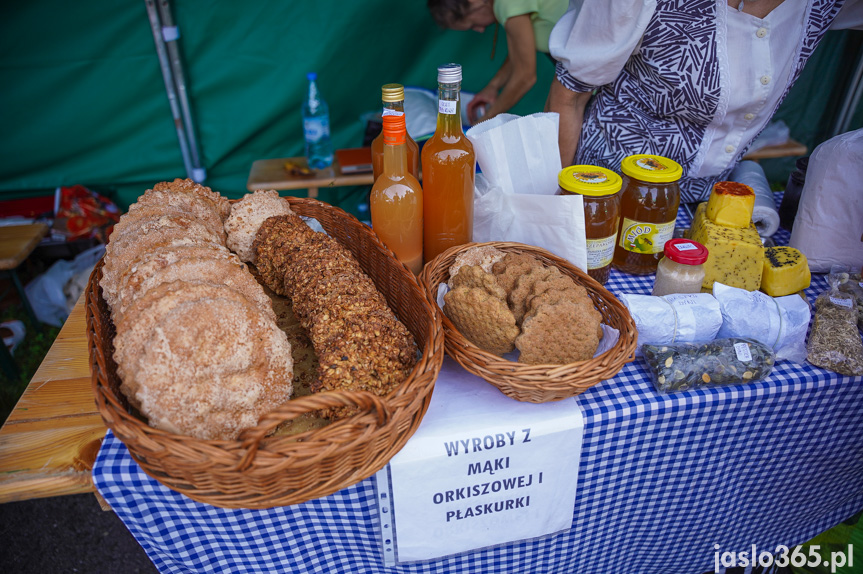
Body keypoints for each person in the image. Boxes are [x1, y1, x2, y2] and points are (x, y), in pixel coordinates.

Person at [546, 0, 863, 203]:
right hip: (606, 196)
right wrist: (557, 205)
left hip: (710, 206)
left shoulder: (823, 4)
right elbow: (569, 95)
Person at [428, 0, 568, 124]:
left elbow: (525, 77)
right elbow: (520, 53)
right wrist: (492, 87)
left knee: (558, 111)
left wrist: (484, 122)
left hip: (586, 68)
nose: (480, 30)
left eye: (473, 24)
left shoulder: (506, 4)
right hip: (583, 64)